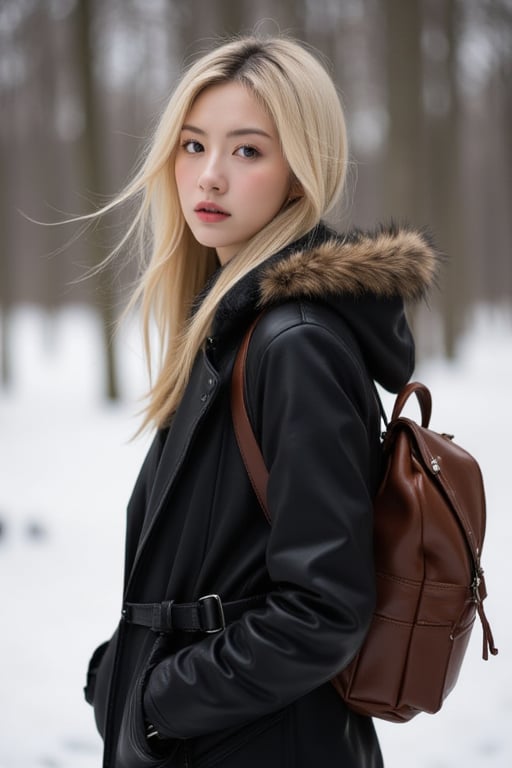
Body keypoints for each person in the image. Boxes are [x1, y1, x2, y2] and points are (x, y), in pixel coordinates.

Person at [83, 35, 438, 768]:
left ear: (300, 177)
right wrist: (118, 671)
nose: (208, 177)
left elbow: (324, 611)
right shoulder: (232, 329)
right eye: (192, 145)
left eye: (247, 151)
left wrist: (156, 705)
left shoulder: (294, 343)